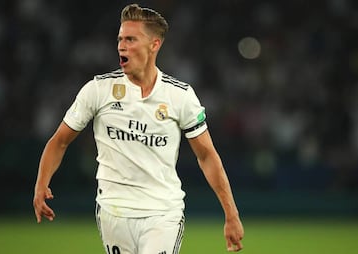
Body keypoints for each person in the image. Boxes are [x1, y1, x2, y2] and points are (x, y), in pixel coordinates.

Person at [33, 3, 244, 253]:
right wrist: (40, 183)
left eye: (131, 39)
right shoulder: (98, 91)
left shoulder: (180, 96)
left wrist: (231, 213)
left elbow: (207, 155)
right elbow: (60, 141)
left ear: (154, 45)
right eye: (120, 38)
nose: (122, 45)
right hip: (113, 212)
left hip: (162, 214)